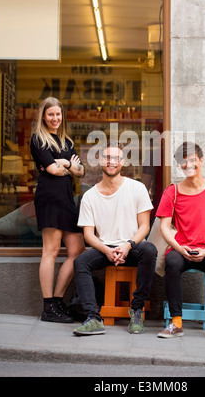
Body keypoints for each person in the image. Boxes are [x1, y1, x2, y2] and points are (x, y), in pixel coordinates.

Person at [73, 142, 157, 336]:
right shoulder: (90, 196)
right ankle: (93, 318)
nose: (111, 162)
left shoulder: (137, 188)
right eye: (107, 158)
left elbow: (144, 226)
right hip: (105, 247)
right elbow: (88, 235)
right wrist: (107, 251)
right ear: (101, 160)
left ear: (123, 162)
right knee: (80, 262)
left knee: (149, 250)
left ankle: (136, 310)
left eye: (116, 158)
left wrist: (128, 245)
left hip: (132, 246)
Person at [156, 142, 205, 341]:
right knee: (172, 264)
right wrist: (179, 248)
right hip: (180, 247)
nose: (188, 165)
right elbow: (164, 227)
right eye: (183, 162)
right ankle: (176, 323)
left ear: (201, 161)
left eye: (192, 160)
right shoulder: (172, 192)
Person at [30, 97, 85, 323]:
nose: (55, 118)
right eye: (50, 114)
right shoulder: (38, 140)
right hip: (49, 198)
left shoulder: (66, 141)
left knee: (77, 250)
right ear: (44, 115)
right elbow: (53, 170)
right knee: (50, 251)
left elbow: (81, 171)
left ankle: (58, 300)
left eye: (58, 114)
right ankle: (48, 306)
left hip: (66, 200)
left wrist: (66, 164)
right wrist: (66, 165)